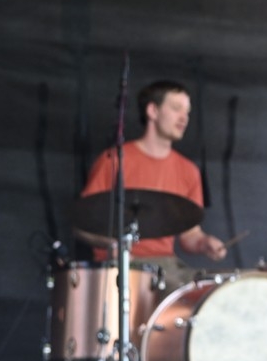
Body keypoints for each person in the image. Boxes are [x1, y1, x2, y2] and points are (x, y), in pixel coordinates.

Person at [77, 79, 228, 288]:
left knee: (218, 290)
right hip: (121, 266)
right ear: (153, 111)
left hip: (167, 265)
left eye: (187, 112)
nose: (184, 117)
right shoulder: (114, 160)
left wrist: (204, 243)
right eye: (176, 108)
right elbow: (81, 224)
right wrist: (112, 245)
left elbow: (190, 235)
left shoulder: (189, 171)